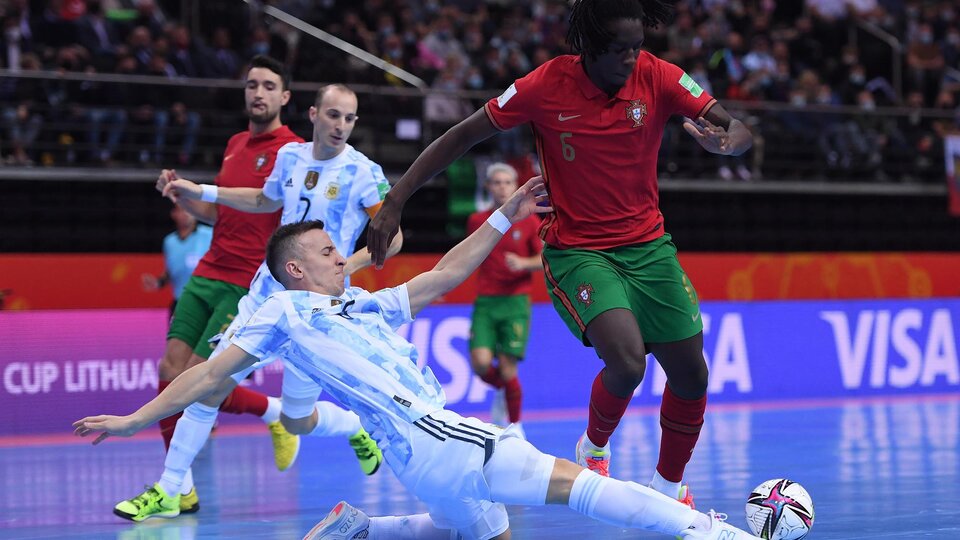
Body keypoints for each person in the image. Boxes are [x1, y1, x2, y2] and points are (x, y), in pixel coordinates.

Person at [74, 180, 761, 540]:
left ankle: (366, 529)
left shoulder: (358, 303)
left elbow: (438, 279)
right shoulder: (278, 312)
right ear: (295, 269)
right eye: (327, 252)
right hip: (442, 438)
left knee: (476, 529)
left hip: (420, 463)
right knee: (587, 489)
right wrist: (137, 419)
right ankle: (714, 534)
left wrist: (505, 212)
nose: (342, 255)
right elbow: (207, 374)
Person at [367, 0, 754, 508]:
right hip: (580, 251)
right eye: (620, 51)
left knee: (692, 374)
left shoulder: (658, 76)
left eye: (638, 48)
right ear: (590, 49)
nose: (632, 59)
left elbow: (738, 129)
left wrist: (729, 145)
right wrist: (396, 199)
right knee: (628, 361)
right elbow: (462, 135)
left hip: (649, 247)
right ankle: (593, 445)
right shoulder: (545, 86)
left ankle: (666, 488)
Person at [120, 83, 403, 522]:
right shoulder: (289, 156)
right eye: (333, 115)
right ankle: (170, 488)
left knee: (296, 420)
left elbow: (394, 237)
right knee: (208, 385)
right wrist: (204, 191)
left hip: (317, 311)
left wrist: (345, 267)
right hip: (265, 297)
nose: (340, 126)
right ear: (312, 114)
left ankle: (353, 426)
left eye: (349, 118)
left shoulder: (364, 171)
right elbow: (263, 199)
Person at [125, 55, 303, 520]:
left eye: (268, 86)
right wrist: (184, 195)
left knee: (202, 381)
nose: (258, 93)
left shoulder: (293, 151)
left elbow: (266, 205)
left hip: (247, 282)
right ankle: (180, 486)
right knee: (169, 368)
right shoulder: (234, 144)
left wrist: (202, 189)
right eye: (251, 85)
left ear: (284, 97)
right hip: (208, 271)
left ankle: (274, 418)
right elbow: (219, 213)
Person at [466, 162, 542, 434]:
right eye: (496, 182)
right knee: (481, 364)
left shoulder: (530, 221)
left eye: (506, 182)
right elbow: (468, 255)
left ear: (515, 186)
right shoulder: (477, 221)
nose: (501, 187)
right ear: (488, 187)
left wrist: (523, 263)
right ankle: (504, 391)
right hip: (486, 302)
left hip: (515, 302)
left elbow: (545, 258)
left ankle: (514, 424)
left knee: (509, 366)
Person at [142, 203, 213, 318]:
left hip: (205, 301)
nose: (185, 214)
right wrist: (158, 282)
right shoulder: (169, 241)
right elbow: (171, 271)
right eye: (181, 210)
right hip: (180, 301)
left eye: (189, 210)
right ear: (174, 214)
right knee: (175, 335)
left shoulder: (210, 234)